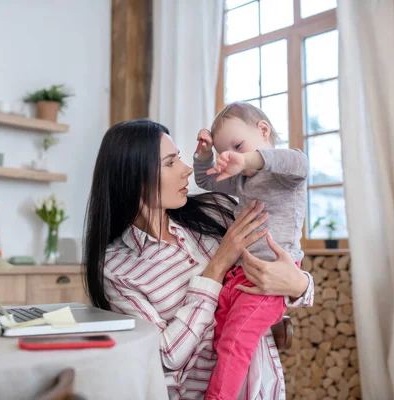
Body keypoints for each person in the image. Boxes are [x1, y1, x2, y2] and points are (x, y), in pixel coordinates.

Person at [84, 119, 314, 400]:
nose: (187, 169)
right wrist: (217, 266)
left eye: (180, 157)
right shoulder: (116, 268)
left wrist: (299, 285)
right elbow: (166, 355)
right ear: (136, 178)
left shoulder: (217, 210)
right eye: (171, 163)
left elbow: (284, 273)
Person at [193, 102, 308, 399]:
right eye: (225, 152)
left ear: (264, 130)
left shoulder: (283, 172)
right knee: (219, 338)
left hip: (271, 277)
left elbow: (300, 163)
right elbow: (206, 180)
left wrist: (248, 160)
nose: (231, 156)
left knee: (235, 342)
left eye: (238, 145)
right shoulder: (243, 180)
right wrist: (206, 154)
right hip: (241, 274)